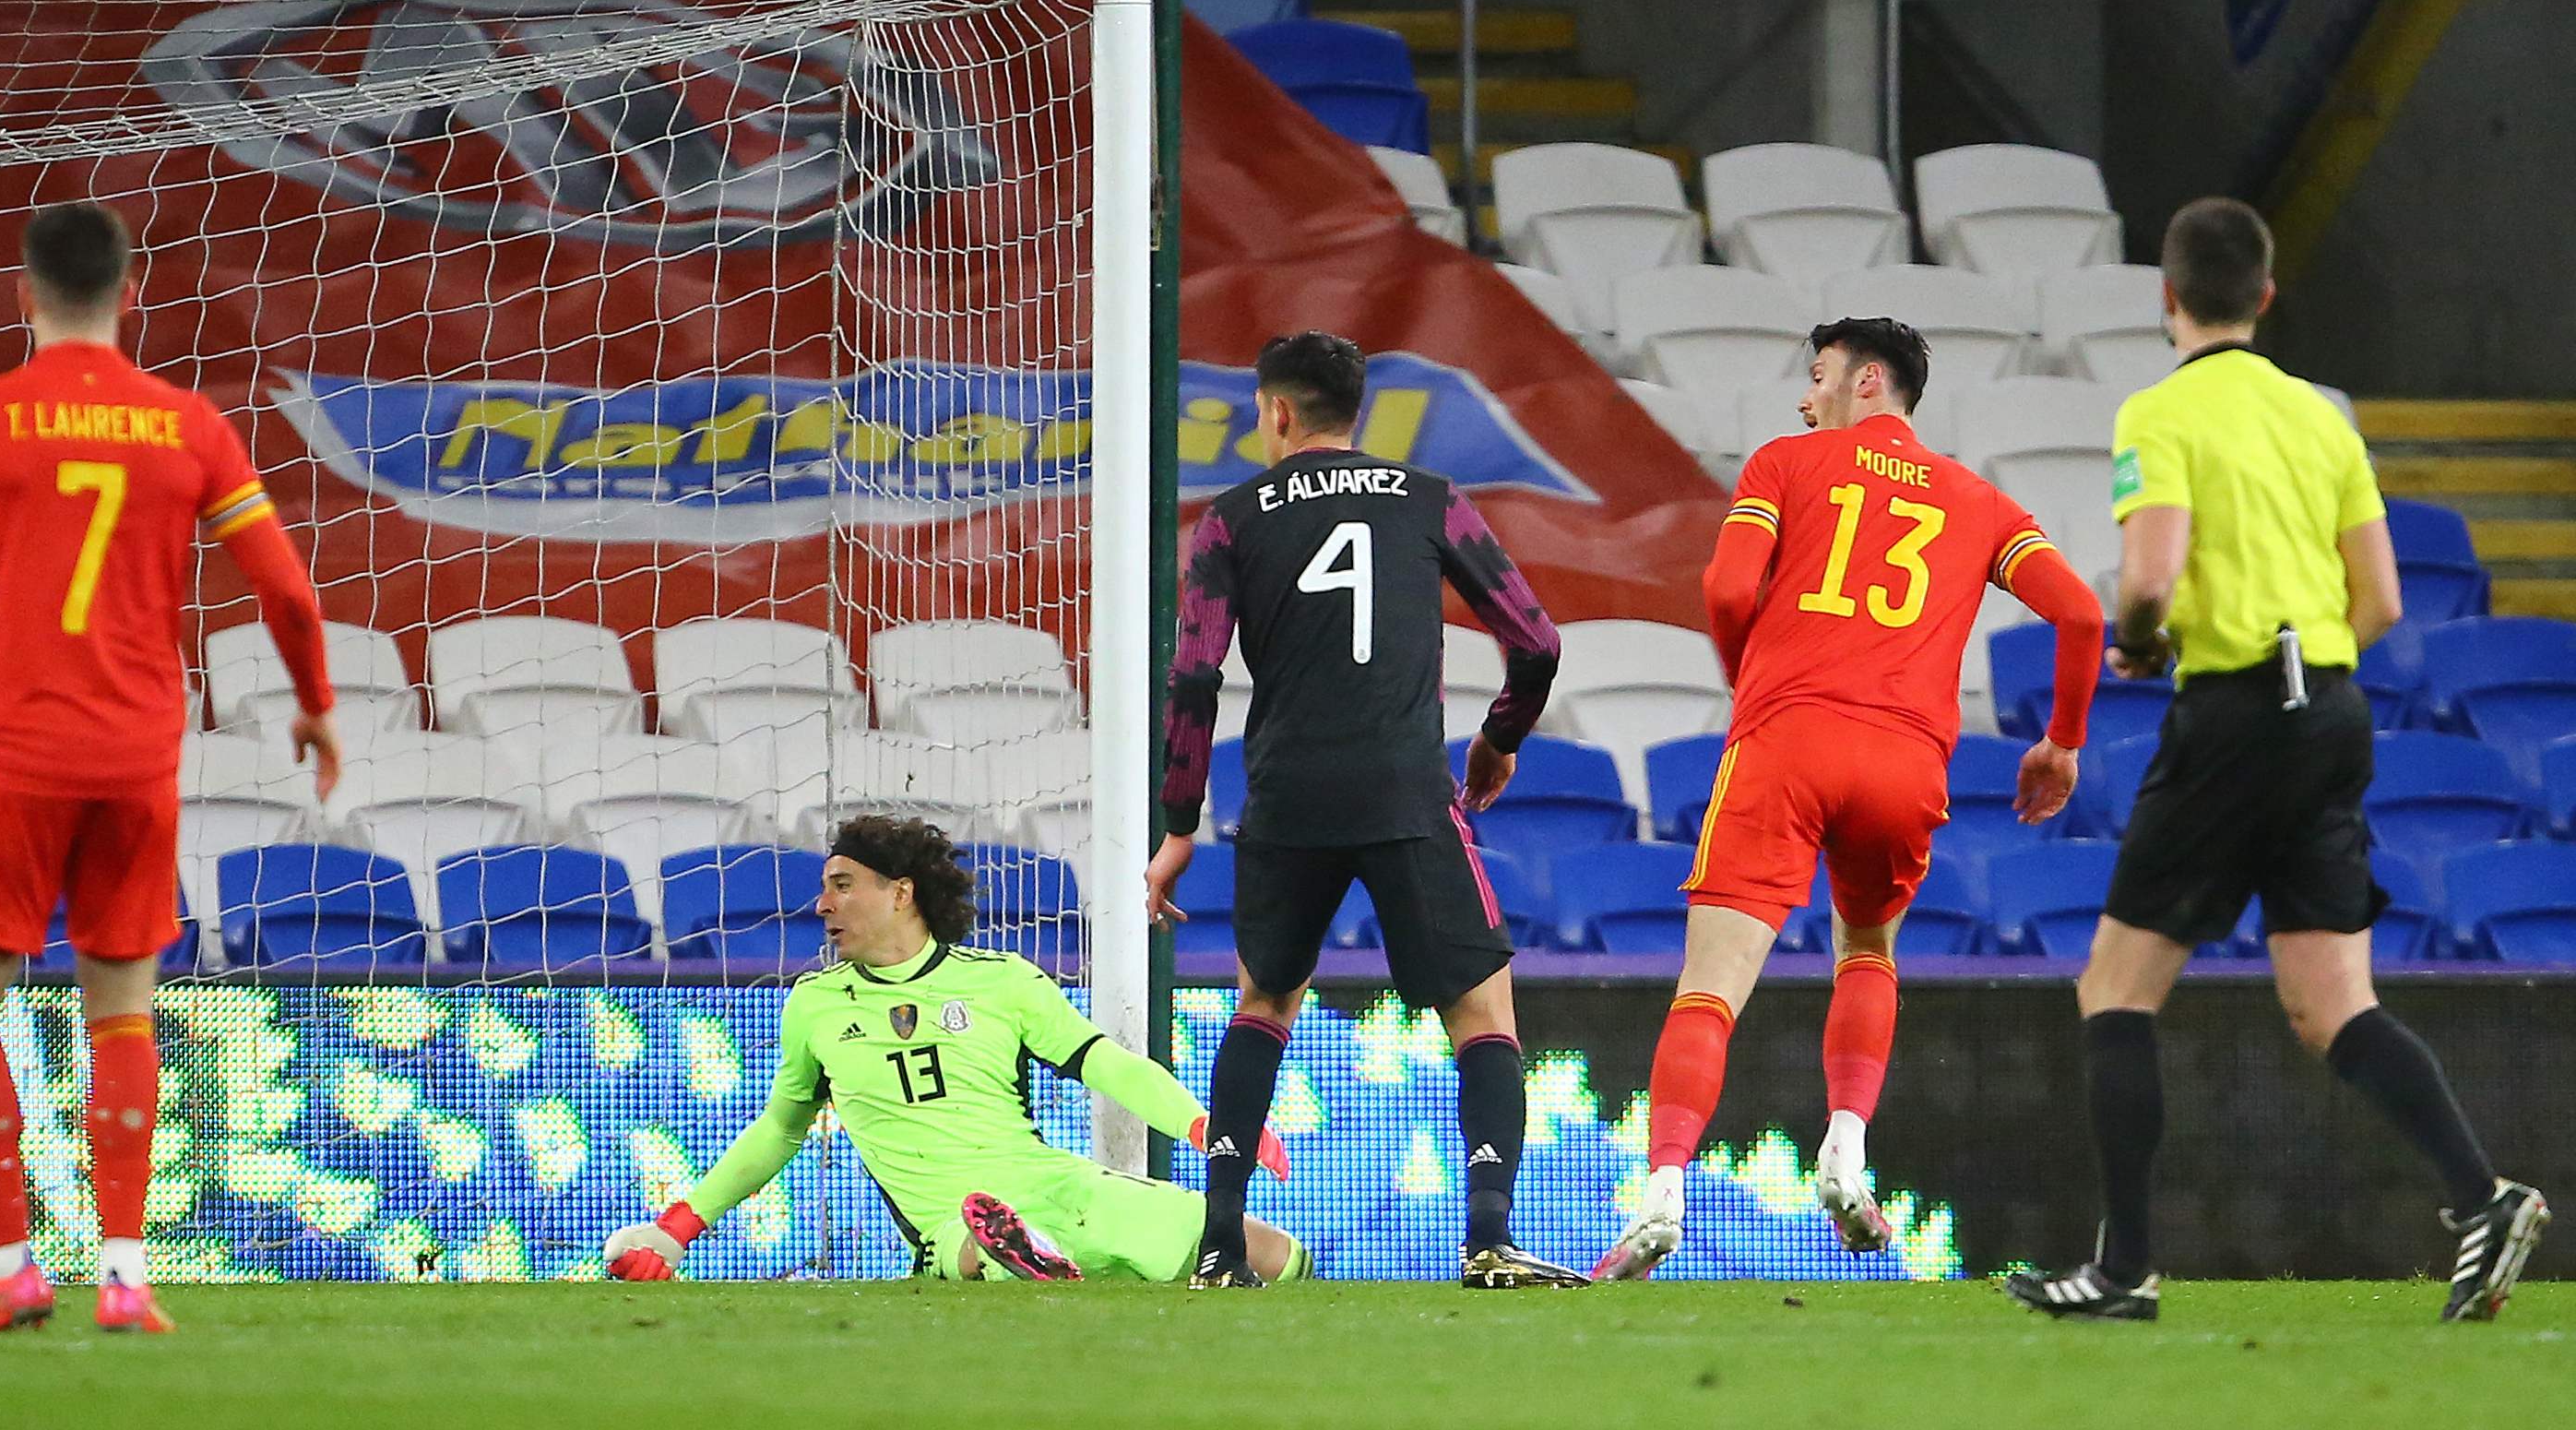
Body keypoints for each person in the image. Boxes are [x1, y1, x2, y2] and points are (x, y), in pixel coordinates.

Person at [2007, 200, 2546, 1322]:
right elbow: (2382, 598)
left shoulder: (2159, 414)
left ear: (2166, 299)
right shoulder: (2321, 419)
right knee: (2329, 1003)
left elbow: (2147, 581)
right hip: (2332, 713)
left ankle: (2124, 1269)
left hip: (2233, 712)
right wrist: (2312, 667)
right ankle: (2482, 1198)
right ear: (2263, 296)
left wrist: (2146, 644)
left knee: (2115, 987)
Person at [0, 201, 340, 1335]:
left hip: (17, 757)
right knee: (121, 1010)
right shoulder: (189, 424)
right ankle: (123, 1274)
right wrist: (314, 707)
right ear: (129, 295)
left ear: (25, 294)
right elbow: (286, 590)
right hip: (136, 760)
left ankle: (9, 1265)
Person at [1594, 318, 2101, 1280]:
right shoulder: (1981, 501)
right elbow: (2080, 613)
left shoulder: (1785, 464)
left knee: (1709, 987)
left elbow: (1726, 589)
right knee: (1866, 950)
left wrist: (1752, 683)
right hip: (1904, 762)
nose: (1804, 396)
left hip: (1787, 739)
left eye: (1818, 375)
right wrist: (2062, 742)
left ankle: (1661, 1192)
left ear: (1867, 381)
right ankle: (1845, 1150)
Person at [1146, 330, 1581, 1290]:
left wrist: (1178, 823)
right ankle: (1487, 1240)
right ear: (1357, 411)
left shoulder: (1228, 520)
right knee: (1481, 1014)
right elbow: (1537, 641)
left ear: (1275, 412)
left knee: (1264, 1005)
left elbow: (1194, 674)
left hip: (1287, 796)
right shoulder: (1429, 498)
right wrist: (1499, 736)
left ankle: (1220, 1247)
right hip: (1404, 788)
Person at [601, 816, 1306, 1286]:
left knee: (1272, 1255)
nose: (823, 906)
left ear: (901, 893)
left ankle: (1040, 1249)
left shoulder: (1002, 981)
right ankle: (1014, 1250)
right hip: (950, 1218)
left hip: (1058, 1185)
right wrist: (677, 1227)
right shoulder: (816, 1004)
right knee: (973, 1250)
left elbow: (1106, 1063)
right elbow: (781, 1129)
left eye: (842, 886)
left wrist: (1203, 1126)